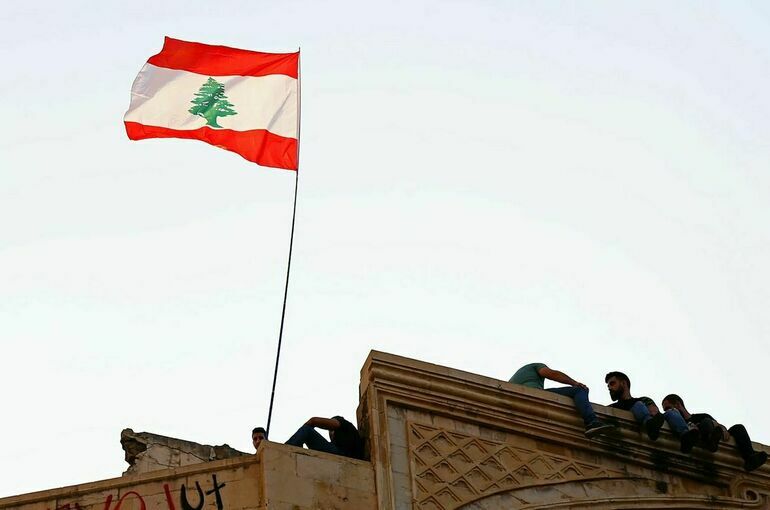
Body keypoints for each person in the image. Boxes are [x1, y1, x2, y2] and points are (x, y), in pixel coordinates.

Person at [662, 394, 768, 472]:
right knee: (707, 423)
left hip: (713, 434)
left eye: (668, 408)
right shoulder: (676, 422)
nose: (667, 411)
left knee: (738, 428)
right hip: (700, 436)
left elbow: (718, 425)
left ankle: (750, 458)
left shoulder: (701, 416)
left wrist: (722, 428)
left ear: (677, 404)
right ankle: (710, 440)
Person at [510, 363, 615, 438]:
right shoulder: (537, 366)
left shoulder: (516, 378)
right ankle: (592, 422)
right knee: (579, 390)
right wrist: (574, 383)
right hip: (534, 394)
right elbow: (552, 374)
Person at [605, 371, 698, 452]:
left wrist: (655, 416)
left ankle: (685, 437)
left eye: (612, 383)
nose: (609, 388)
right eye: (608, 386)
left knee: (671, 412)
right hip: (645, 425)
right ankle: (649, 425)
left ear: (623, 383)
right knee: (638, 405)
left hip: (653, 421)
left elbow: (654, 411)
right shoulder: (612, 407)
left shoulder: (643, 400)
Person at [285, 415, 364, 460]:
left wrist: (308, 425)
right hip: (344, 456)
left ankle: (286, 450)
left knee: (307, 430)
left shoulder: (345, 424)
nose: (330, 433)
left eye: (331, 430)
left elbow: (314, 421)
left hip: (343, 455)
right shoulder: (345, 439)